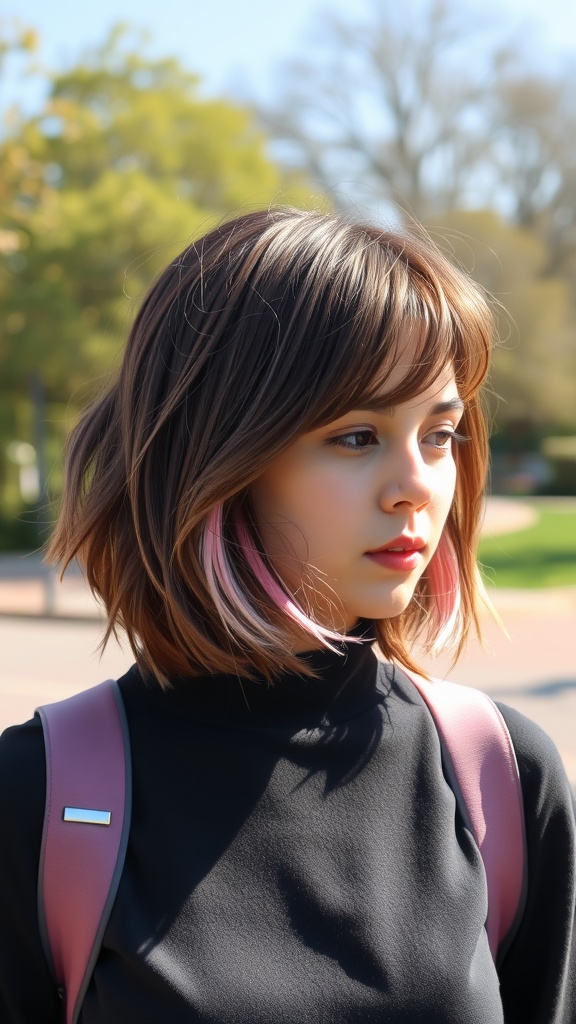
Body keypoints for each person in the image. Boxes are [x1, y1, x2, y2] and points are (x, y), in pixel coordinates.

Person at [0, 207, 574, 1023]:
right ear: (219, 459)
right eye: (356, 435)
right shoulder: (37, 798)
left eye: (440, 433)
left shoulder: (503, 778)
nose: (416, 485)